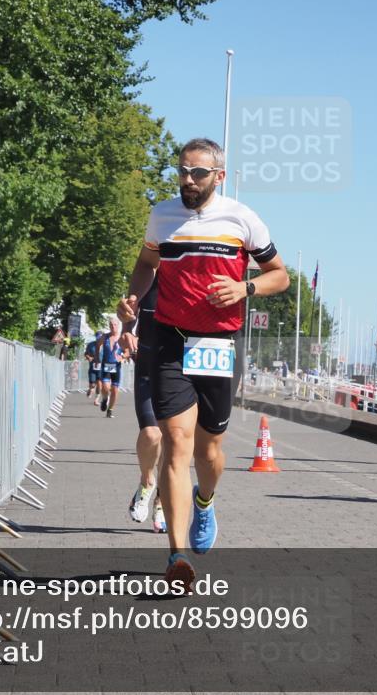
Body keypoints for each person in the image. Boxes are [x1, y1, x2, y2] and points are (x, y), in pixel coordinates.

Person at [118, 137, 289, 591]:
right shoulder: (163, 214)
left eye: (198, 173)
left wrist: (246, 289)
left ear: (219, 176)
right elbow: (146, 263)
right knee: (176, 442)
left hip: (218, 344)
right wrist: (133, 296)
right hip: (170, 340)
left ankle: (206, 500)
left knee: (209, 450)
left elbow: (280, 275)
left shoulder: (241, 218)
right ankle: (176, 556)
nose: (188, 180)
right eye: (182, 171)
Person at [120, 277, 166, 534]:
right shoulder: (149, 276)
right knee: (151, 433)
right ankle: (147, 482)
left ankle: (161, 501)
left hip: (183, 371)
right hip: (148, 366)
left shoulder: (195, 275)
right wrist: (127, 331)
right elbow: (128, 311)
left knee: (173, 439)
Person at [97, 318, 126, 419]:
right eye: (111, 325)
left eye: (115, 325)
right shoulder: (104, 337)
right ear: (109, 326)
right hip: (106, 365)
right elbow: (98, 345)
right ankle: (105, 399)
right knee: (105, 387)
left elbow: (128, 351)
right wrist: (96, 358)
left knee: (115, 390)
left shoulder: (122, 337)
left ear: (118, 325)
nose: (113, 327)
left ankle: (110, 410)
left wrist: (123, 357)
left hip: (116, 366)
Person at [85, 331, 102, 401]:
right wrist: (88, 357)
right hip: (93, 367)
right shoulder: (90, 345)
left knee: (99, 384)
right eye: (98, 337)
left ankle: (97, 399)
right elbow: (86, 353)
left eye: (100, 337)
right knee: (92, 385)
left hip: (101, 368)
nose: (99, 339)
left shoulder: (105, 345)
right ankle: (90, 389)